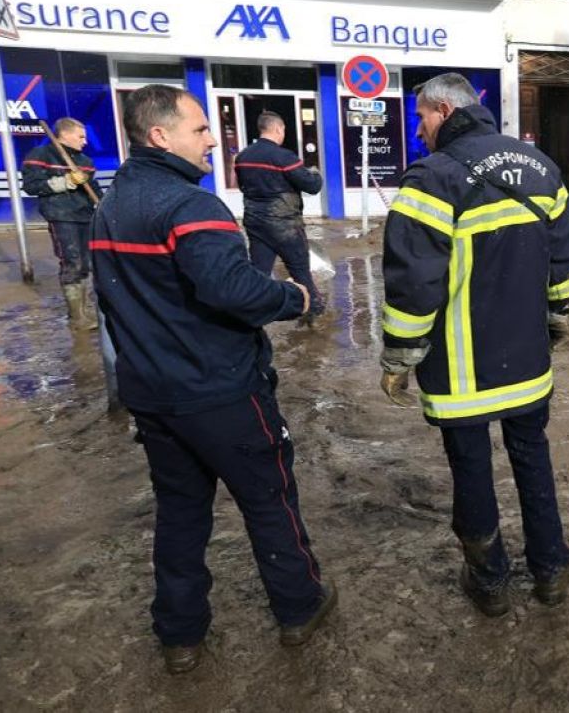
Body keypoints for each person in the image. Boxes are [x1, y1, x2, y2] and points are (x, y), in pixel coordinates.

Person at [90, 86, 335, 674]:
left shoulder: (111, 204)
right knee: (270, 500)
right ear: (160, 136)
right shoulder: (190, 206)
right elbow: (234, 290)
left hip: (152, 393)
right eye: (200, 129)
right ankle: (300, 608)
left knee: (179, 513)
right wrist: (293, 297)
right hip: (220, 390)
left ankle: (180, 635)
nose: (211, 140)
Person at [379, 73, 569, 617]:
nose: (418, 131)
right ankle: (552, 570)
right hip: (528, 359)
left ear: (443, 110)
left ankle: (490, 582)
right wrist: (557, 317)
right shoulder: (540, 168)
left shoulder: (430, 179)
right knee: (532, 458)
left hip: (462, 371)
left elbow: (413, 284)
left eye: (421, 118)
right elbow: (563, 260)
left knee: (470, 468)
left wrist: (399, 355)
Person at [234, 111, 325, 323]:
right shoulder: (284, 157)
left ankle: (251, 318)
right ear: (278, 129)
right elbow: (312, 186)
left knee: (259, 273)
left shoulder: (243, 157)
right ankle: (315, 317)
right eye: (283, 130)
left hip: (255, 223)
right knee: (301, 272)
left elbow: (242, 186)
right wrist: (315, 173)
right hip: (285, 227)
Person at [20, 118, 101, 329]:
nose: (85, 141)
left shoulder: (85, 160)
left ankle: (84, 310)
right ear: (65, 134)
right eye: (80, 136)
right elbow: (31, 186)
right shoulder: (40, 156)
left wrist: (102, 207)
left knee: (86, 264)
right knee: (71, 262)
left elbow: (94, 188)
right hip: (61, 215)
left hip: (84, 215)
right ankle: (76, 317)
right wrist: (65, 182)